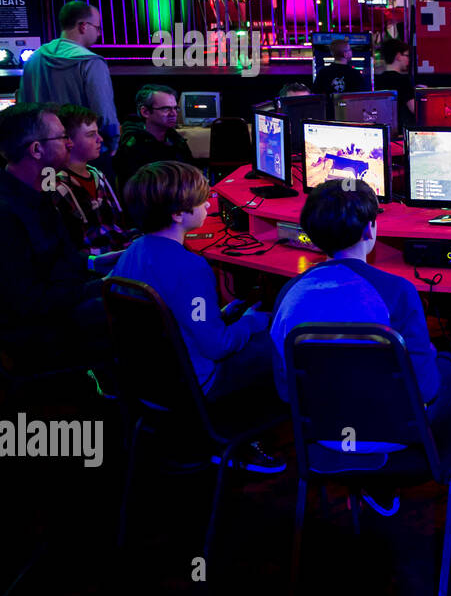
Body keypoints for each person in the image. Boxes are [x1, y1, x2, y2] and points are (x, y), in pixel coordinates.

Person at [270, 178, 451, 495]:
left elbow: (284, 390)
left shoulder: (289, 292)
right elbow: (426, 390)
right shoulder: (399, 290)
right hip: (395, 432)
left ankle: (368, 484)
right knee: (449, 367)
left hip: (319, 435)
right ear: (370, 230)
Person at [110, 163, 279, 466]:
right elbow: (218, 346)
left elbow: (177, 317)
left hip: (151, 382)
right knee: (281, 338)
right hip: (200, 384)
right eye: (202, 200)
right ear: (178, 214)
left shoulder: (134, 251)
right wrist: (252, 322)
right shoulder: (190, 268)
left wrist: (221, 315)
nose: (208, 204)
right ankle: (241, 435)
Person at [0, 104, 116, 369]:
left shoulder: (41, 191)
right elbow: (25, 303)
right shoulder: (6, 214)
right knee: (141, 308)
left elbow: (64, 260)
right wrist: (100, 286)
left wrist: (99, 264)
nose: (70, 143)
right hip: (39, 331)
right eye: (63, 137)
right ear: (37, 150)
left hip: (65, 300)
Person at [18, 1, 121, 157]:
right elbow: (103, 110)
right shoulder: (91, 62)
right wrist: (112, 142)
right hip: (83, 154)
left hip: (42, 154)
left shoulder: (34, 59)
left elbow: (22, 109)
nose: (99, 34)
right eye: (97, 28)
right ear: (83, 26)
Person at [52, 105, 133, 255]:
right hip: (91, 265)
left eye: (98, 133)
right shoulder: (55, 183)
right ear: (68, 140)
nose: (100, 139)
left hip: (117, 252)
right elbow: (73, 245)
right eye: (91, 135)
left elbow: (118, 225)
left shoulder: (97, 174)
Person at [114, 85, 194, 190]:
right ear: (145, 112)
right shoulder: (132, 147)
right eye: (166, 109)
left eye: (175, 108)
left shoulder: (176, 140)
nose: (174, 114)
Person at [374, 37, 417, 132]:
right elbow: (414, 109)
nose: (408, 60)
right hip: (401, 131)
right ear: (398, 56)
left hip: (383, 129)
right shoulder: (403, 80)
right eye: (407, 55)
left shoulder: (377, 80)